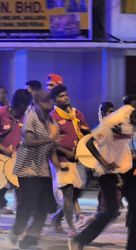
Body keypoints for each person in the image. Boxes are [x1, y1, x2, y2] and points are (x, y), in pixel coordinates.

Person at [68, 102, 136, 250]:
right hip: (107, 171)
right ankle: (79, 241)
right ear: (134, 117)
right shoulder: (112, 122)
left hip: (126, 166)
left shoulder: (132, 111)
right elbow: (89, 143)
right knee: (111, 211)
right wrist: (104, 162)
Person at [9, 90, 67, 249]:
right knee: (28, 204)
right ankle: (17, 229)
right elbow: (28, 141)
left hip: (42, 169)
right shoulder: (32, 117)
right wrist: (50, 139)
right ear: (36, 103)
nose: (48, 103)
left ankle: (29, 240)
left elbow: (52, 149)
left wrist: (57, 165)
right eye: (44, 101)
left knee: (44, 206)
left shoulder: (53, 123)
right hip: (26, 167)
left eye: (49, 100)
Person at [50, 85, 90, 237]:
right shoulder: (52, 117)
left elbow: (86, 134)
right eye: (61, 96)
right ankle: (71, 227)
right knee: (68, 193)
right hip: (61, 160)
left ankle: (56, 218)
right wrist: (66, 151)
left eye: (66, 95)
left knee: (76, 193)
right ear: (54, 99)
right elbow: (50, 143)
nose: (65, 97)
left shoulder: (77, 114)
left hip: (78, 160)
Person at [0, 89, 32, 216]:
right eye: (27, 106)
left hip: (14, 160)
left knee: (20, 187)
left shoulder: (24, 118)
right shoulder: (1, 113)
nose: (27, 110)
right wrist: (5, 150)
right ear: (22, 105)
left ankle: (20, 221)